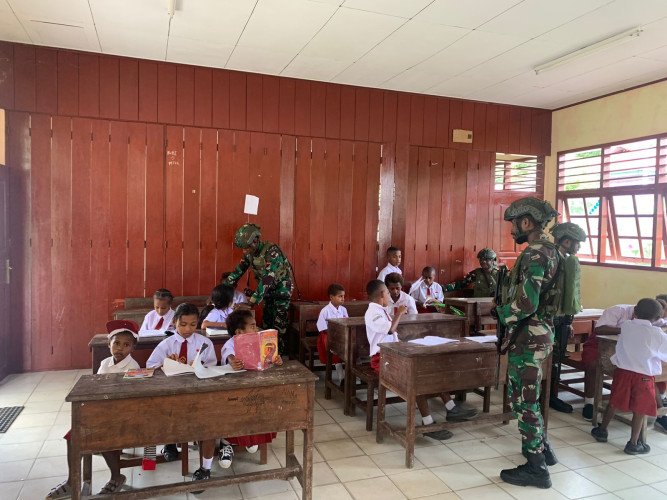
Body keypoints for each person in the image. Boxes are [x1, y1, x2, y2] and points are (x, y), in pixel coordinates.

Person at [495, 197, 560, 489]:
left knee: (524, 401)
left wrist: (501, 313)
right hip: (541, 332)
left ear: (526, 222)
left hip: (529, 336)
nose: (512, 231)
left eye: (514, 224)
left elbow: (526, 303)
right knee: (530, 396)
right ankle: (544, 450)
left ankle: (536, 468)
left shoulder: (535, 253)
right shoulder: (551, 250)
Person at [365, 280, 476, 441]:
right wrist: (400, 312)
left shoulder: (380, 309)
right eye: (388, 293)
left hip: (393, 353)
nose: (390, 295)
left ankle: (451, 408)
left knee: (430, 370)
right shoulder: (372, 312)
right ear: (382, 294)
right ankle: (428, 423)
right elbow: (390, 329)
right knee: (417, 379)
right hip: (382, 359)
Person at [45, 320, 141, 499]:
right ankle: (72, 481)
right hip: (101, 412)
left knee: (101, 436)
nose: (120, 348)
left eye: (126, 345)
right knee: (73, 436)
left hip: (121, 415)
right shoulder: (105, 363)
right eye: (116, 343)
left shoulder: (133, 367)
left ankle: (116, 476)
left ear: (132, 348)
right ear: (109, 344)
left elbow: (129, 399)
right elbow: (96, 388)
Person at [146, 303, 217, 477]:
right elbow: (150, 366)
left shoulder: (205, 343)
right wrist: (165, 363)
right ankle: (169, 443)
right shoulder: (166, 345)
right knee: (161, 414)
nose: (187, 329)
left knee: (209, 419)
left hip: (198, 393)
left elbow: (212, 366)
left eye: (193, 324)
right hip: (172, 394)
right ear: (174, 322)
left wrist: (200, 366)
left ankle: (205, 466)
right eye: (183, 324)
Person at [591, 299, 667, 454]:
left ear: (635, 312)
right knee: (640, 408)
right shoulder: (658, 334)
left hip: (622, 373)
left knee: (614, 401)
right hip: (644, 377)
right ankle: (633, 443)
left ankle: (602, 430)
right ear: (658, 318)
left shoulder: (626, 326)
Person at [580, 295, 667, 421]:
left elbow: (663, 324)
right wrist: (631, 330)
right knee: (593, 364)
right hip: (598, 345)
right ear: (635, 309)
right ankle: (589, 402)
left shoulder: (652, 316)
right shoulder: (618, 310)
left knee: (649, 367)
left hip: (631, 350)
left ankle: (658, 406)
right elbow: (599, 329)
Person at [216, 309, 281, 468]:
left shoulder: (258, 341)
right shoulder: (231, 343)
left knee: (258, 412)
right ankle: (226, 442)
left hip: (255, 386)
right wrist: (232, 361)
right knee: (237, 415)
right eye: (252, 326)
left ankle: (252, 438)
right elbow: (228, 355)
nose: (256, 328)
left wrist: (275, 360)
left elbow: (266, 360)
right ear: (239, 332)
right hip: (235, 391)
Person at [224, 223, 293, 355]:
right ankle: (267, 356)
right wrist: (224, 288)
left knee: (278, 326)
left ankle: (279, 357)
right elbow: (239, 270)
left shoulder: (272, 251)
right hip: (267, 292)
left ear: (255, 241)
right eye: (243, 248)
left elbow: (268, 278)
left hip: (281, 292)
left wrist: (252, 302)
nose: (244, 251)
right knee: (267, 324)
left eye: (247, 248)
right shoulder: (250, 253)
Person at [548, 222, 587, 414]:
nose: (578, 247)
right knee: (549, 358)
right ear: (566, 242)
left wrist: (568, 320)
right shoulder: (551, 259)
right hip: (548, 318)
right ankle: (546, 395)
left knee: (556, 358)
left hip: (561, 319)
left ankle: (551, 395)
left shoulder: (567, 260)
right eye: (576, 243)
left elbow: (569, 294)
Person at [316, 283, 348, 382]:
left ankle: (351, 374)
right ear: (331, 297)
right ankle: (341, 377)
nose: (343, 299)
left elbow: (347, 323)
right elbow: (322, 328)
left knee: (351, 348)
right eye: (340, 296)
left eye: (343, 296)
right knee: (335, 351)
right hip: (327, 336)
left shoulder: (343, 310)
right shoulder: (325, 311)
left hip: (341, 335)